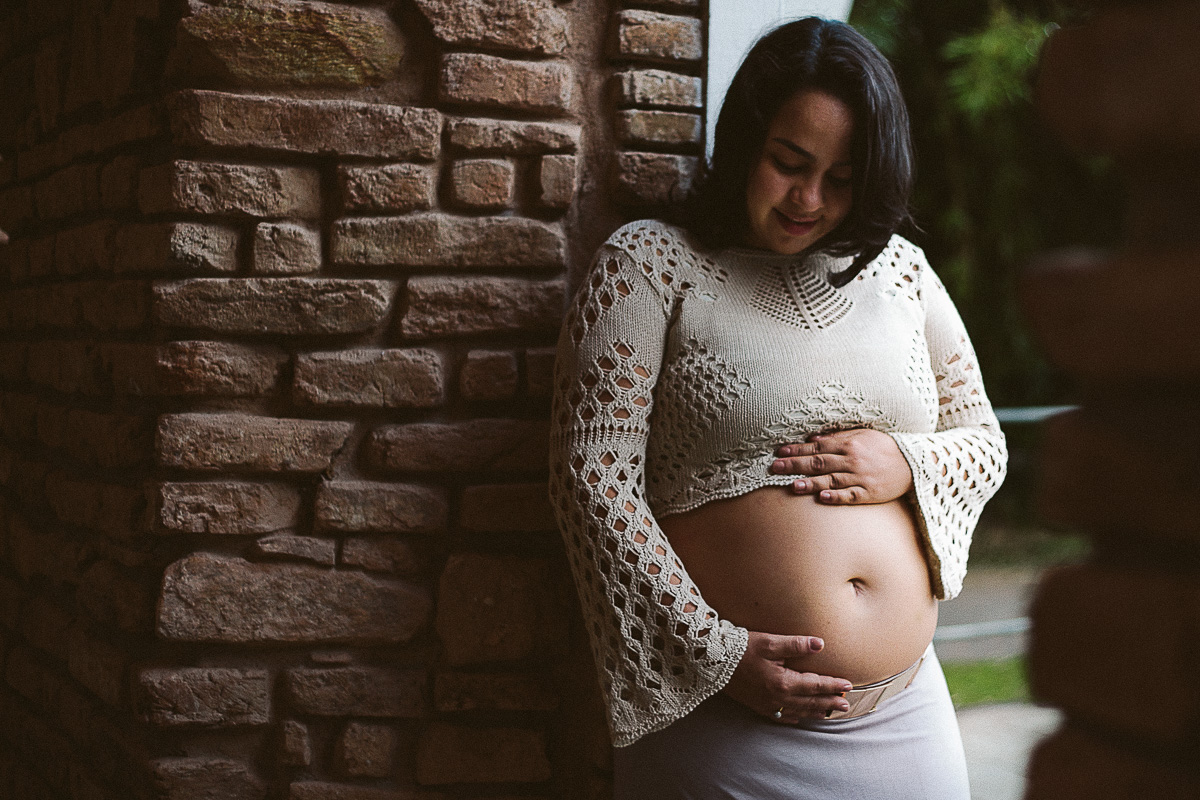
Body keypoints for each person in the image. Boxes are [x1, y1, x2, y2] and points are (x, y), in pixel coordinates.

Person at [548, 17, 1007, 800]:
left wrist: (907, 461)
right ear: (744, 141)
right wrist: (716, 655)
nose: (809, 198)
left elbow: (984, 441)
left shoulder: (902, 273)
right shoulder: (652, 265)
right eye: (788, 163)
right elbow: (589, 479)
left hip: (906, 721)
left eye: (842, 178)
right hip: (724, 718)